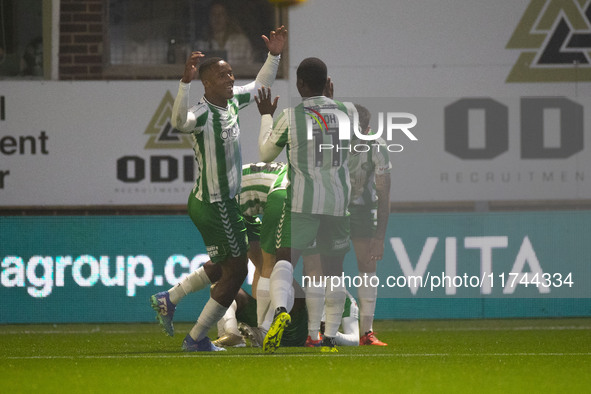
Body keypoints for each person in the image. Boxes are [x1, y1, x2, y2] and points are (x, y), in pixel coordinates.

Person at [150, 25, 287, 352]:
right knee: (237, 271)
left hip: (224, 203)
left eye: (231, 75)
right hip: (214, 205)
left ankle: (170, 298)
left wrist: (274, 55)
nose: (231, 80)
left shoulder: (234, 101)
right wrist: (183, 83)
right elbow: (179, 123)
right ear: (207, 83)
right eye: (224, 76)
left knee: (228, 265)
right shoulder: (200, 114)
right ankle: (196, 339)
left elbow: (260, 85)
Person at [255, 57, 358, 353]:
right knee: (334, 270)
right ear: (328, 82)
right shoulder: (347, 111)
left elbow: (265, 155)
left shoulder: (289, 116)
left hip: (302, 201)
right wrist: (331, 104)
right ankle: (328, 340)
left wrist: (265, 116)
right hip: (338, 203)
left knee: (284, 260)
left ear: (300, 84)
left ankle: (280, 312)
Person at [347, 104, 392, 346]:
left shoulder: (378, 146)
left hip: (363, 209)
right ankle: (319, 328)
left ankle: (366, 332)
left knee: (367, 263)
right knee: (323, 266)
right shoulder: (331, 143)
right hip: (333, 208)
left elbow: (384, 194)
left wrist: (379, 237)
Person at [195, 1, 256, 67]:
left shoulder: (242, 41)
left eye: (221, 14)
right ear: (209, 18)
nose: (217, 18)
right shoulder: (201, 45)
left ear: (227, 17)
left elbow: (250, 67)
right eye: (213, 14)